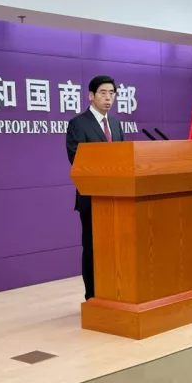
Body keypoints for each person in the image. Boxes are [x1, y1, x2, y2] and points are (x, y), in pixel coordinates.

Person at [65, 76, 125, 300]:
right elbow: (77, 159)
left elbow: (124, 160)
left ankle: (115, 290)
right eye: (103, 92)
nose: (108, 97)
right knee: (93, 247)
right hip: (92, 198)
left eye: (111, 93)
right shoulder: (78, 124)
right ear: (91, 96)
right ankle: (92, 295)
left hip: (118, 197)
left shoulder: (117, 125)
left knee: (116, 247)